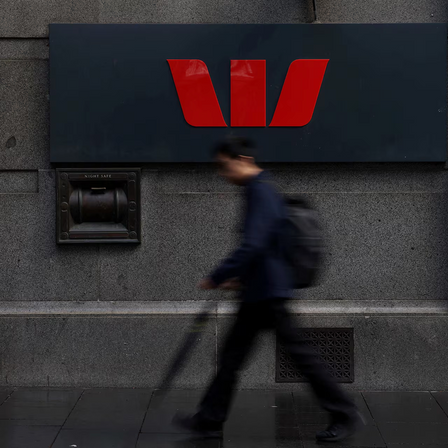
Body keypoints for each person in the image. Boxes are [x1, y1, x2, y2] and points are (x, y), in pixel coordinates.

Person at [173, 137, 363, 442]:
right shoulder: (259, 190)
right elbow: (263, 246)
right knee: (233, 358)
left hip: (268, 294)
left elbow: (254, 244)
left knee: (300, 357)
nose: (222, 173)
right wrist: (241, 277)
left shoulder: (261, 191)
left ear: (244, 159)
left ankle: (343, 411)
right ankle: (209, 419)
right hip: (258, 291)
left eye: (225, 165)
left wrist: (220, 274)